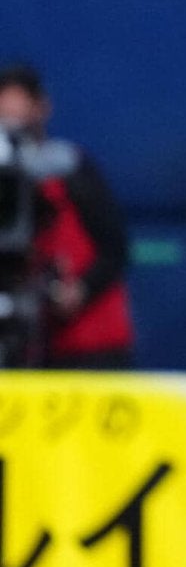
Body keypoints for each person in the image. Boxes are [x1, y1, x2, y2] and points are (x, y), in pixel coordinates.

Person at [0, 64, 135, 368]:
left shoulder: (71, 170)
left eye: (19, 119)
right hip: (33, 346)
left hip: (91, 346)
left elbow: (116, 248)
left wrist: (80, 289)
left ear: (41, 110)